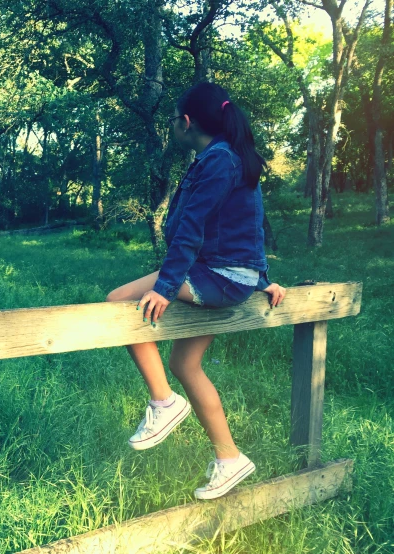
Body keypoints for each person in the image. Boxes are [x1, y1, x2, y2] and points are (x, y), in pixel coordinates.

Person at [106, 82, 286, 500]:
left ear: (186, 123)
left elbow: (193, 227)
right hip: (227, 273)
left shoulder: (219, 160)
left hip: (217, 276)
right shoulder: (226, 156)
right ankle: (229, 458)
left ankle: (163, 403)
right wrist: (260, 278)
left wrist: (166, 287)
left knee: (118, 302)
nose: (172, 126)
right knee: (186, 363)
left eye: (173, 120)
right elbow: (244, 226)